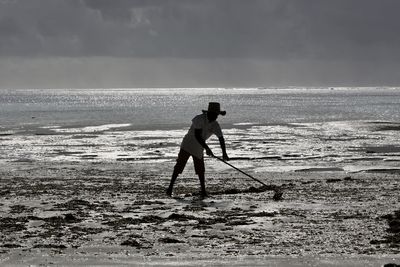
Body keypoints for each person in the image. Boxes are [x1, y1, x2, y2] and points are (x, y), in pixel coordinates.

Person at [167, 102, 229, 198]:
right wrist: (207, 148)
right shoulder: (199, 119)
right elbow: (197, 135)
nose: (216, 117)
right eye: (215, 115)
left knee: (200, 170)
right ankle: (170, 188)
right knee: (179, 166)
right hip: (188, 144)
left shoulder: (215, 124)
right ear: (209, 113)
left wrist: (224, 153)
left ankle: (203, 191)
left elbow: (221, 138)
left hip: (199, 147)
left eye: (217, 115)